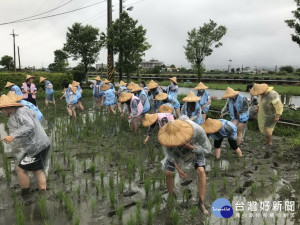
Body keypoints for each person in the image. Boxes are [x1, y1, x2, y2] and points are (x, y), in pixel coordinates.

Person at [0, 95, 50, 202]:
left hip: (37, 146)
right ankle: (42, 193)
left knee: (21, 169)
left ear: (7, 108)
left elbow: (30, 126)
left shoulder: (20, 112)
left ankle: (26, 196)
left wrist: (13, 136)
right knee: (37, 170)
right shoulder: (19, 111)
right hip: (39, 144)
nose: (1, 112)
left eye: (1, 110)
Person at [158, 117, 212, 215]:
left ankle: (201, 202)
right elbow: (169, 155)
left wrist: (192, 147)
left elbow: (208, 151)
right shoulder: (166, 137)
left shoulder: (197, 130)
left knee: (201, 171)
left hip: (195, 149)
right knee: (168, 172)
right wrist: (178, 168)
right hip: (176, 153)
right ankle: (171, 197)